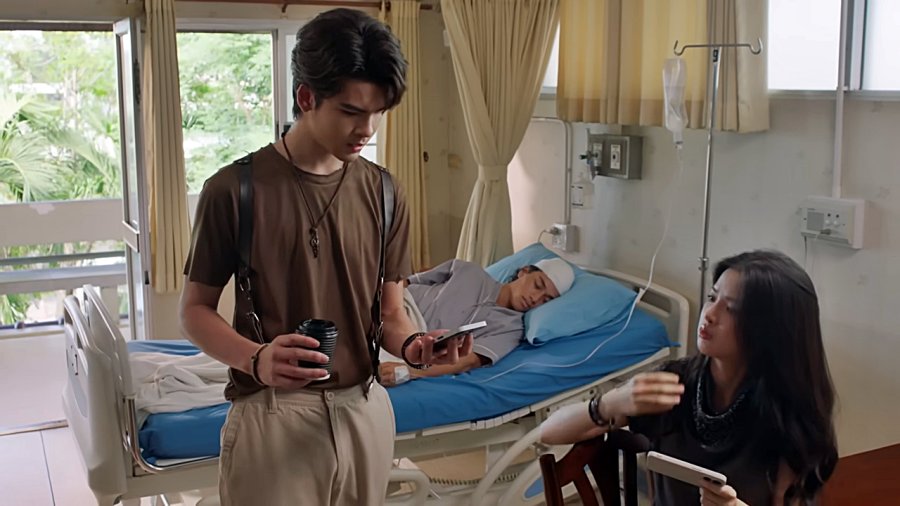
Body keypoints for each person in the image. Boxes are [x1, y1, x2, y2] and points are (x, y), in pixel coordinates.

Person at [178, 9, 472, 506]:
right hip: (273, 414)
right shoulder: (234, 190)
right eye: (351, 111)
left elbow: (390, 314)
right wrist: (256, 359)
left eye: (378, 112)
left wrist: (415, 346)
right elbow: (194, 311)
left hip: (364, 409)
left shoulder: (385, 192)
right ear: (306, 98)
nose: (367, 129)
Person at [540, 250, 837, 506]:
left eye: (732, 308)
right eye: (712, 297)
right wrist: (611, 403)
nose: (710, 314)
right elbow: (549, 433)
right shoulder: (674, 384)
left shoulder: (786, 415)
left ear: (771, 330)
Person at [379, 257, 575, 386]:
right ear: (523, 272)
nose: (535, 298)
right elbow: (406, 282)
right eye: (538, 285)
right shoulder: (469, 270)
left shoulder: (511, 329)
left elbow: (466, 362)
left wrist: (407, 372)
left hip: (412, 341)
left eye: (546, 300)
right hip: (394, 303)